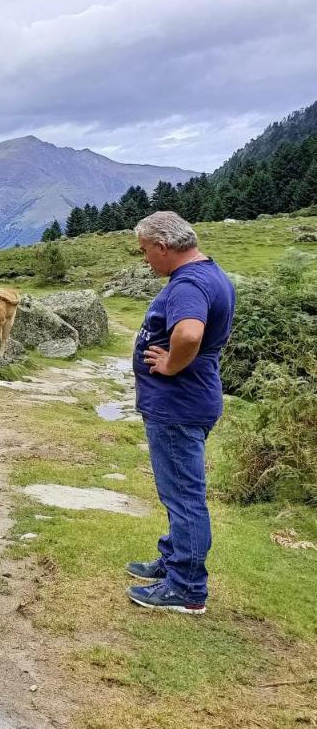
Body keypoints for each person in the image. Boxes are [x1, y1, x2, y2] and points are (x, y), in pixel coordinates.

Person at [126, 211, 235, 615]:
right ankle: (174, 559)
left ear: (163, 246)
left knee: (184, 496)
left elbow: (189, 333)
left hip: (178, 404)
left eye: (145, 252)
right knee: (180, 492)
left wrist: (171, 364)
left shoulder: (188, 283)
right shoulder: (210, 273)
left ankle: (187, 586)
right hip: (190, 399)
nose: (145, 260)